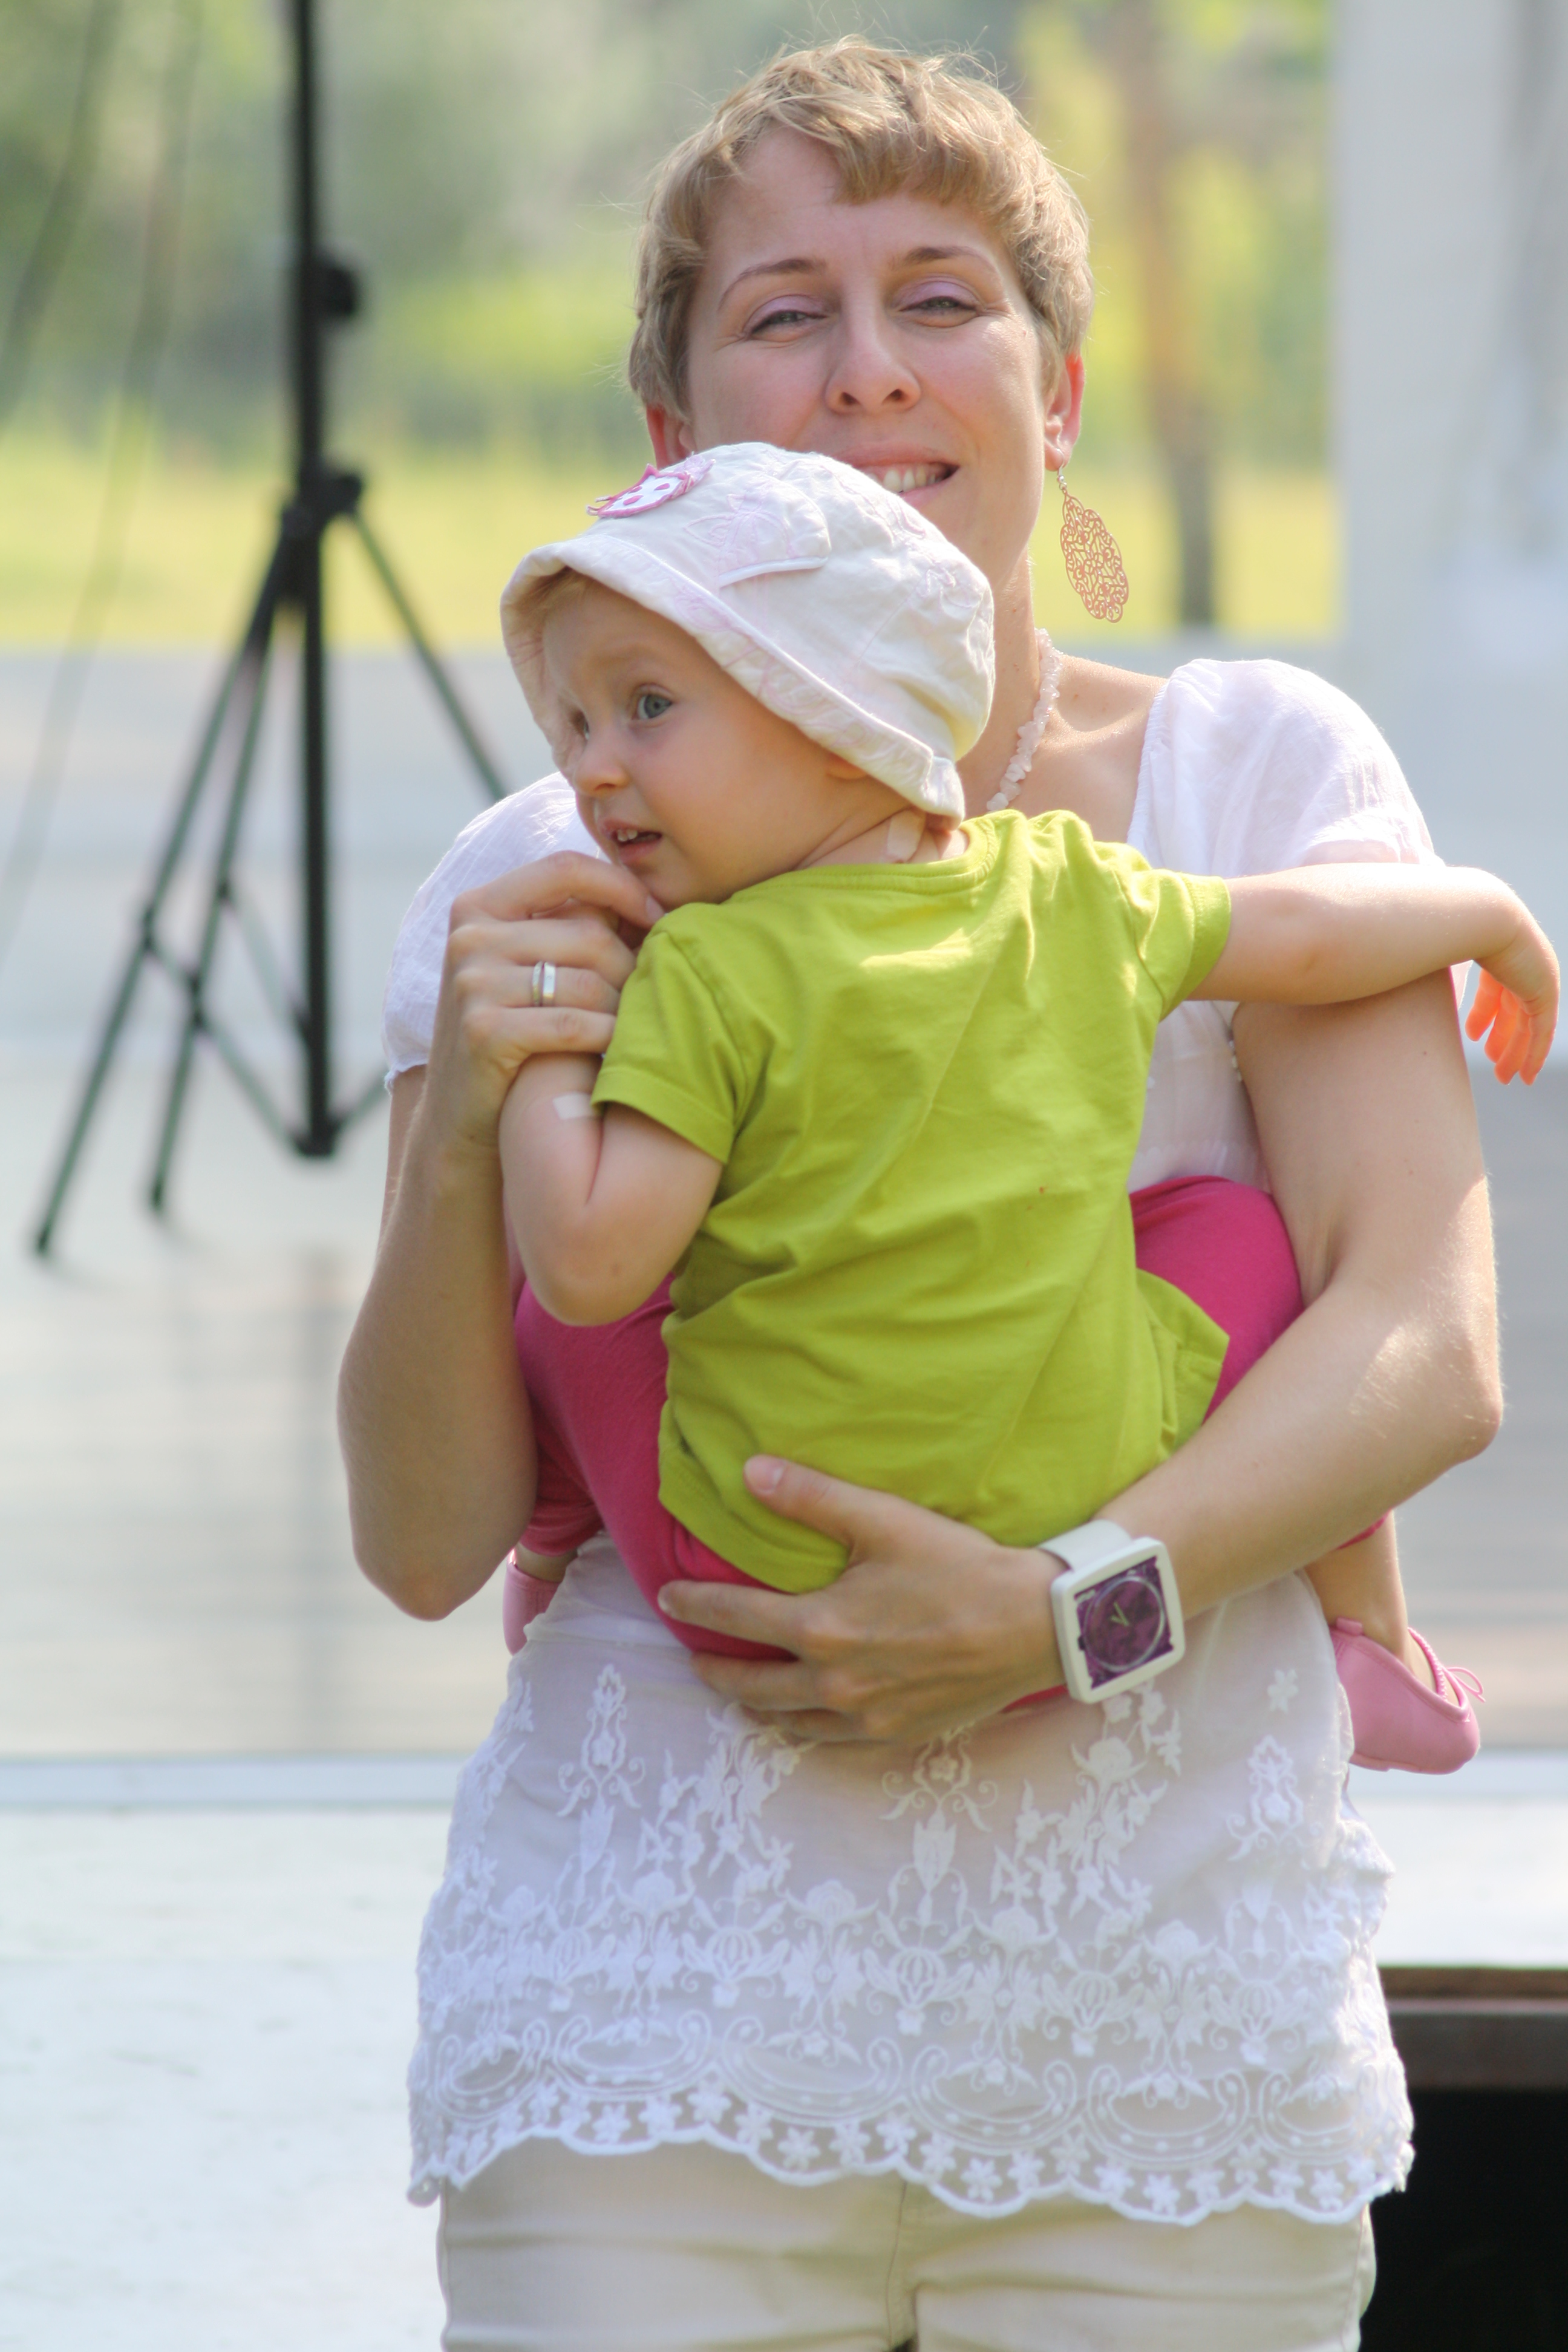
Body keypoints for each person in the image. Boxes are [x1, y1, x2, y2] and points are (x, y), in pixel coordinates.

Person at [339, 40, 1507, 2350]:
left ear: (1055, 395)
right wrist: (473, 1109)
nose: (870, 369)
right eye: (784, 313)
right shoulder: (537, 867)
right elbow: (421, 1536)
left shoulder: (1254, 768)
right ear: (670, 448)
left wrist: (1072, 1605)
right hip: (649, 2032)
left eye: (941, 298)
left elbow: (1424, 1339)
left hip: (1161, 2036)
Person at [488, 441, 1546, 1786]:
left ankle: (553, 1540)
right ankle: (1371, 1630)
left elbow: (589, 1264)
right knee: (1236, 1227)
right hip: (1069, 1521)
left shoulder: (699, 969)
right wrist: (1487, 912)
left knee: (559, 1312)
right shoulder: (1068, 889)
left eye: (646, 708)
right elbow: (1310, 936)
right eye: (575, 727)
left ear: (838, 718)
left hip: (764, 1587)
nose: (594, 771)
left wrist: (543, 1056)